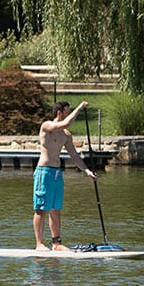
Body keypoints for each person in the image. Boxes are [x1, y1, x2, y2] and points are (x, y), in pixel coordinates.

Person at [33, 101, 96, 250]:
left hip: (56, 173)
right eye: (67, 112)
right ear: (59, 113)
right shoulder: (47, 126)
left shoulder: (66, 135)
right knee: (41, 209)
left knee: (56, 209)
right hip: (44, 172)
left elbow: (74, 156)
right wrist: (80, 107)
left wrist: (87, 171)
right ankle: (39, 243)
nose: (69, 115)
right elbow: (66, 123)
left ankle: (56, 243)